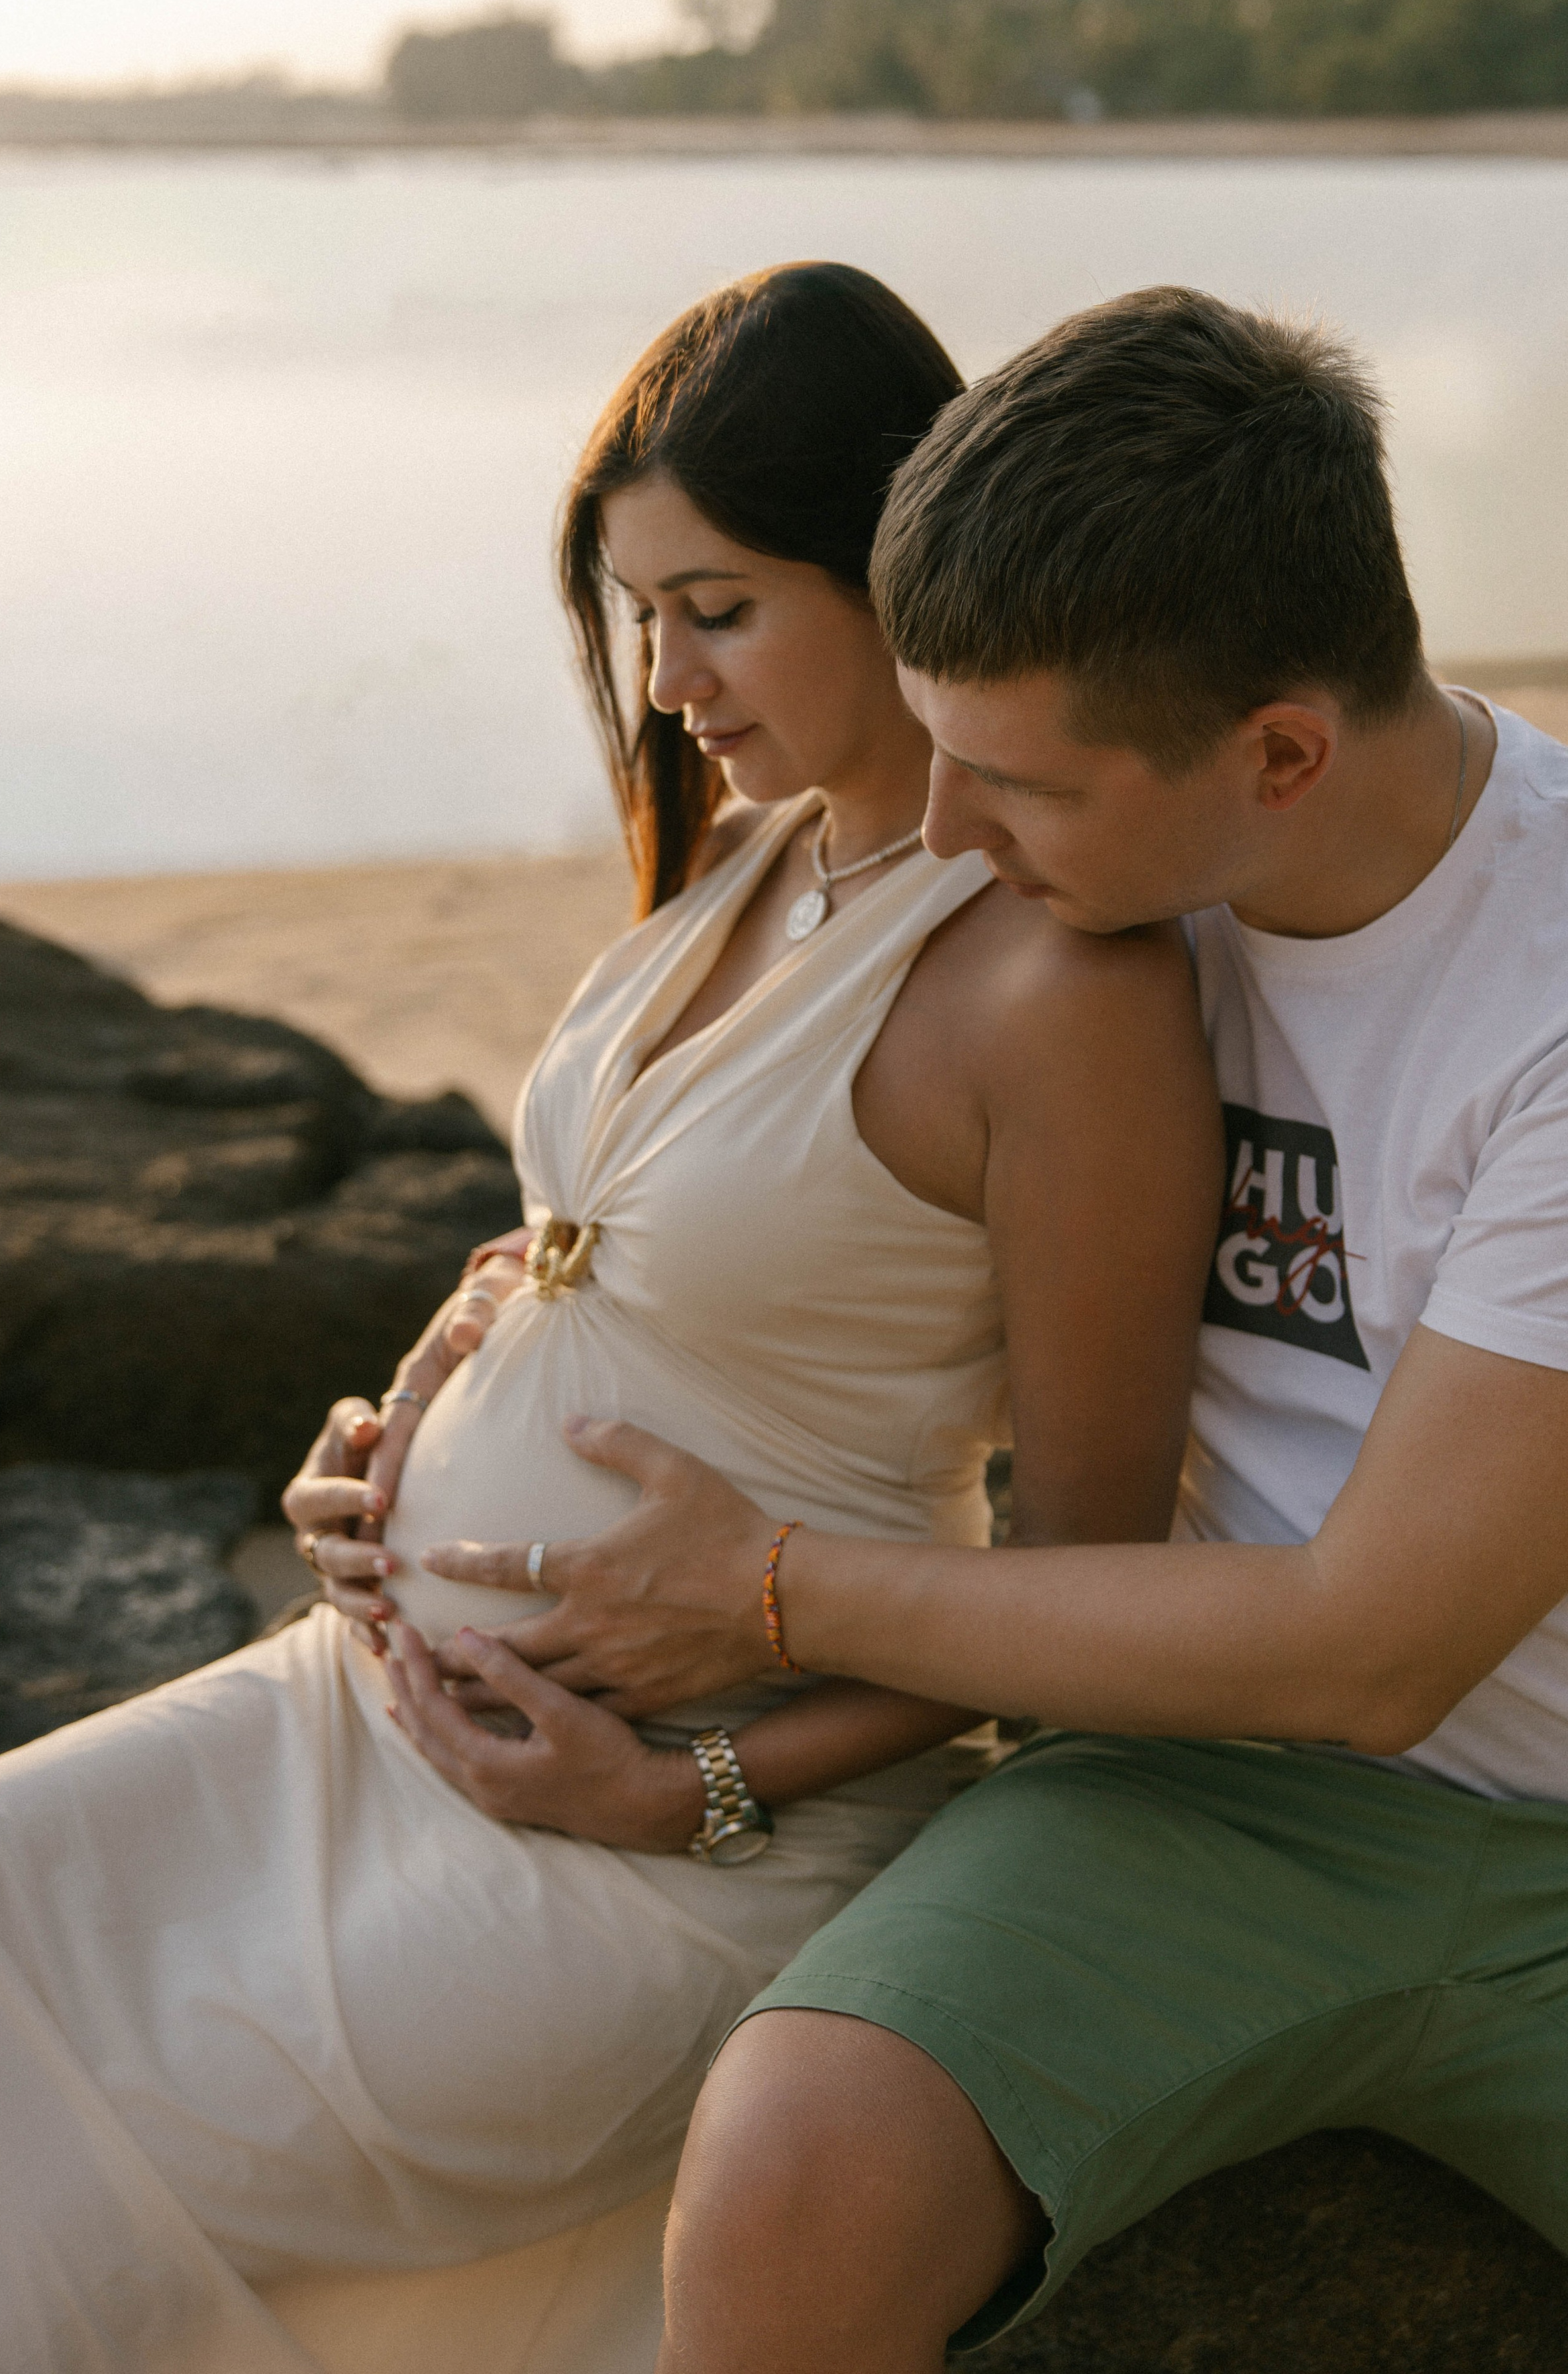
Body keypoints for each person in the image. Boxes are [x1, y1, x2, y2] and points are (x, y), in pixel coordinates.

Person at [0, 265, 1220, 2374]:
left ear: (902, 563)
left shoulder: (1068, 994)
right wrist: (402, 1415)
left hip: (663, 1832)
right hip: (357, 1699)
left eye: (721, 604)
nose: (667, 674)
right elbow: (611, 1246)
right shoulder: (761, 859)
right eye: (636, 611)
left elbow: (1087, 1592)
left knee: (79, 2200)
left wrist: (700, 1796)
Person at [417, 286, 1568, 2374]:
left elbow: (1382, 1643)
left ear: (1283, 752)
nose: (946, 839)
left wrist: (768, 1596)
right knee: (787, 2171)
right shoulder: (1112, 898)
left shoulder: (1546, 1002)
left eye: (1013, 785)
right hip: (1212, 1794)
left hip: (1511, 1806)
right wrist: (475, 1358)